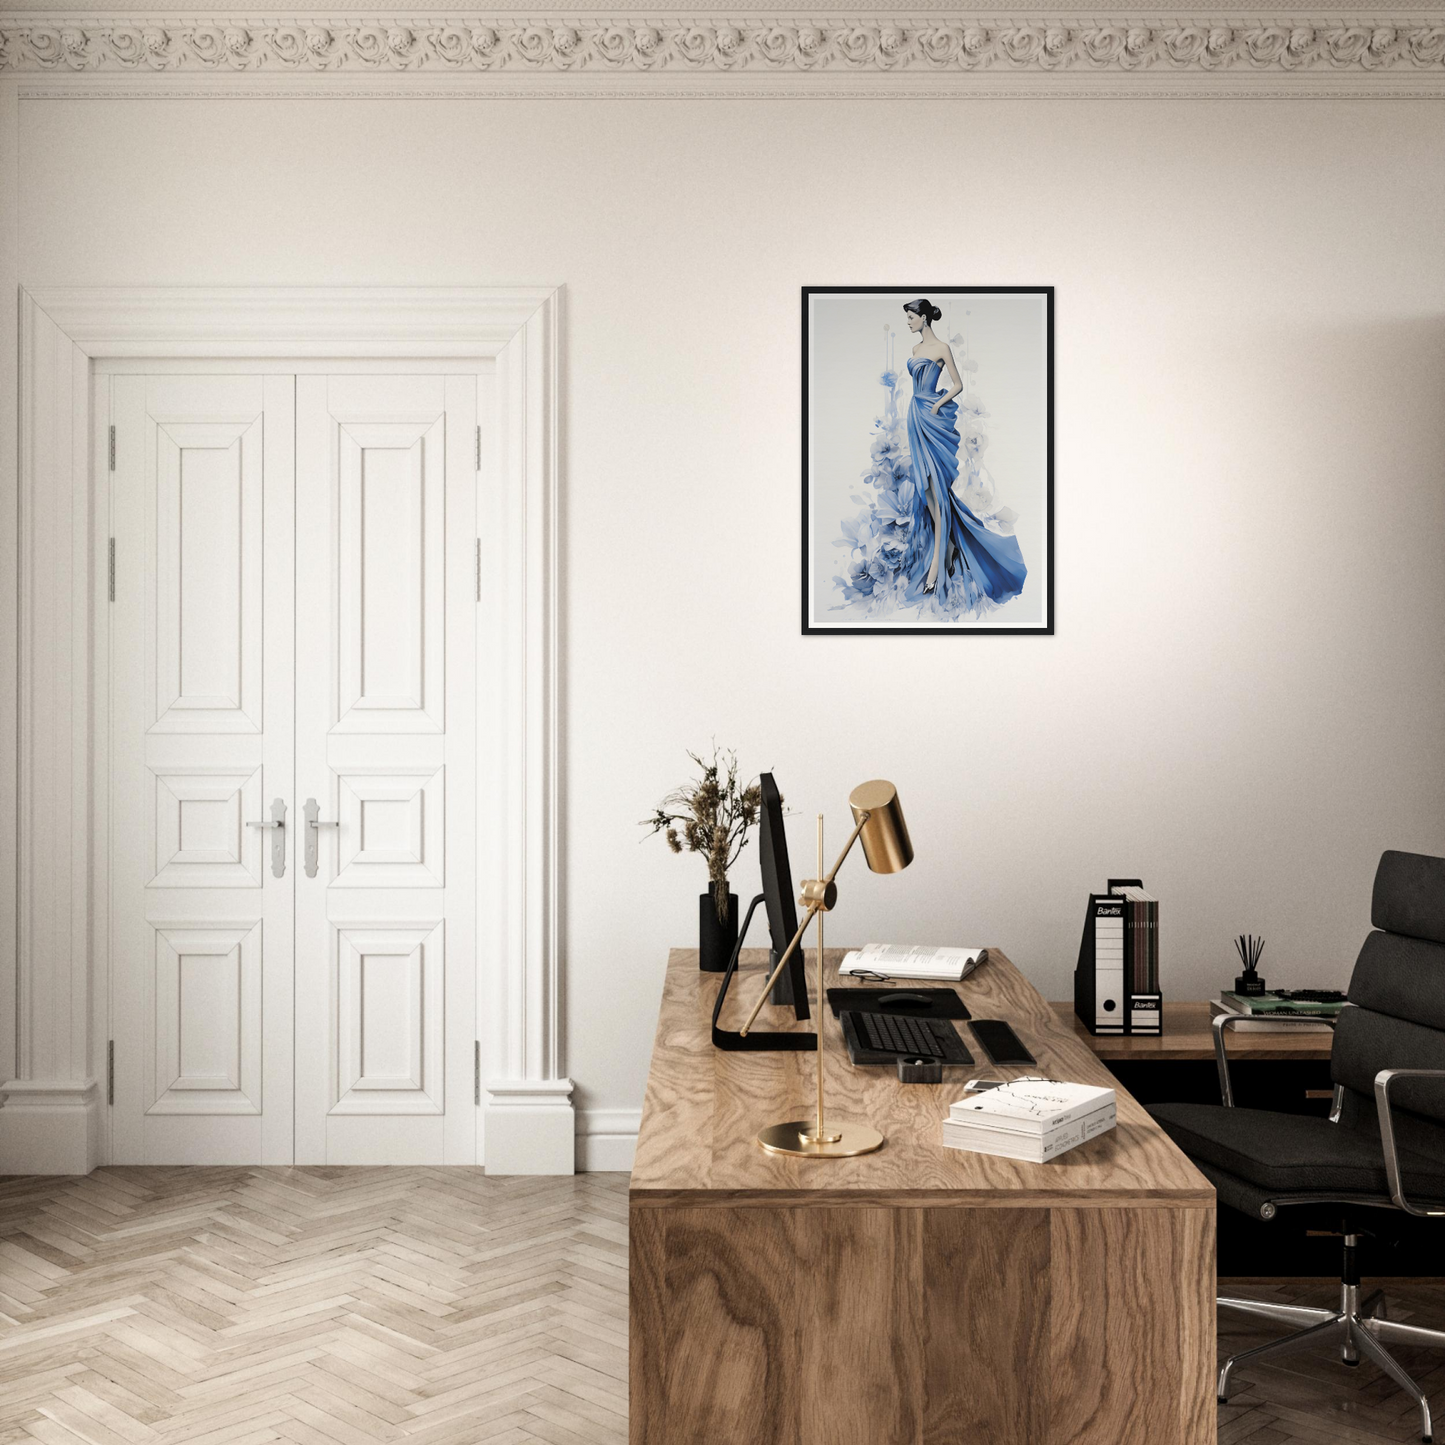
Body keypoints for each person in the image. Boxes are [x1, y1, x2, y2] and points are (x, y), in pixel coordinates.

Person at [900, 298, 1026, 609]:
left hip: (931, 415)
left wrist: (939, 405)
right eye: (907, 318)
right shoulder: (915, 351)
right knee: (926, 487)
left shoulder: (942, 348)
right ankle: (950, 546)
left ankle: (939, 563)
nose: (908, 322)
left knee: (937, 488)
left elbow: (957, 384)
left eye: (912, 317)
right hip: (915, 417)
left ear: (926, 317)